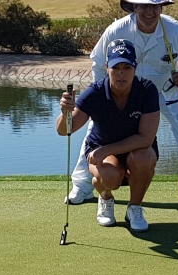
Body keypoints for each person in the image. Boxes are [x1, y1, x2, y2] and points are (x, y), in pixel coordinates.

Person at [65, 0, 178, 205]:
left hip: (167, 91)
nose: (149, 11)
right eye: (143, 6)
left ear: (162, 7)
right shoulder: (117, 29)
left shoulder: (175, 31)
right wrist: (104, 94)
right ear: (134, 7)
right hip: (123, 91)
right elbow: (97, 62)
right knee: (95, 134)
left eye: (154, 6)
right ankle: (82, 187)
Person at [56, 40, 159, 232]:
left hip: (132, 150)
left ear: (135, 68)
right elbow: (64, 130)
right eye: (116, 67)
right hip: (101, 151)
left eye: (127, 67)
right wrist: (65, 113)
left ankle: (134, 208)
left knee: (145, 157)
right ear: (107, 68)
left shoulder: (146, 90)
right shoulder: (95, 93)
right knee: (110, 176)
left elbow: (146, 138)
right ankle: (105, 198)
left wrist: (106, 150)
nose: (121, 73)